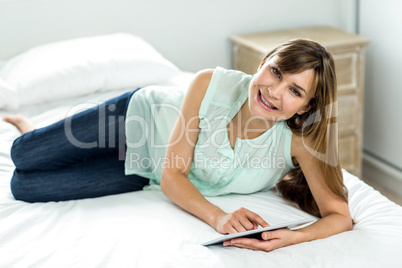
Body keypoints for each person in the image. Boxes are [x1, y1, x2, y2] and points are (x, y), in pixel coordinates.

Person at [4, 39, 352, 252]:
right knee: (23, 153)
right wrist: (219, 218)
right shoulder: (208, 82)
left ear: (306, 107)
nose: (275, 91)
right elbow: (176, 176)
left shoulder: (299, 142)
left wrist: (292, 238)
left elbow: (340, 217)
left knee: (24, 185)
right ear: (261, 65)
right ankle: (29, 126)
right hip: (136, 117)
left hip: (147, 169)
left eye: (295, 90)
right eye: (276, 72)